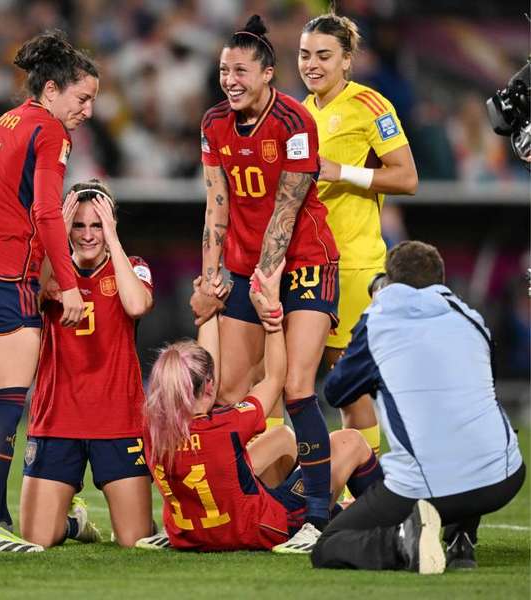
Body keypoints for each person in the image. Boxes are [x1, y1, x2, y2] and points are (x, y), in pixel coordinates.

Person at [0, 30, 98, 553]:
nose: (88, 110)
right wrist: (69, 282)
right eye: (82, 98)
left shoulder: (6, 120)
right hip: (1, 274)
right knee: (6, 405)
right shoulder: (50, 130)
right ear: (51, 90)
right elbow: (47, 211)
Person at [196, 15, 340, 553]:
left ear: (267, 74)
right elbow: (216, 203)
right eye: (222, 70)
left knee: (298, 387)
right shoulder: (213, 123)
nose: (229, 79)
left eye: (239, 70)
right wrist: (212, 277)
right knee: (231, 393)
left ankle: (319, 518)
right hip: (242, 267)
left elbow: (288, 206)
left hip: (303, 262)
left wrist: (267, 280)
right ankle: (253, 503)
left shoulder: (295, 120)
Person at [312, 240, 525, 574]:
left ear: (390, 282)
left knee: (328, 545)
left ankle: (402, 544)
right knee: (466, 419)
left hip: (430, 487)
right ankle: (461, 540)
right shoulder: (471, 318)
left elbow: (337, 391)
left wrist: (365, 330)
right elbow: (485, 386)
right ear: (439, 280)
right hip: (505, 477)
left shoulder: (377, 321)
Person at [141, 262, 380, 552]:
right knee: (350, 441)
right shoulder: (226, 426)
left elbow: (206, 383)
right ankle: (388, 520)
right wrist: (273, 317)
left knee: (282, 438)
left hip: (192, 534)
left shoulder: (153, 429)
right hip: (258, 529)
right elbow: (275, 377)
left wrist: (209, 313)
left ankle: (341, 513)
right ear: (208, 386)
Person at [298, 12, 418, 458]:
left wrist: (342, 172)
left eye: (325, 55)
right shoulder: (303, 111)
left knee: (350, 384)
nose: (312, 64)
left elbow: (406, 177)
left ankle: (365, 488)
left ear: (347, 60)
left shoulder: (370, 105)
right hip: (310, 264)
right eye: (305, 54)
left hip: (353, 262)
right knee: (310, 380)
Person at [20, 180, 154, 548]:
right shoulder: (50, 272)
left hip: (118, 420)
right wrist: (55, 237)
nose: (88, 234)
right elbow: (29, 298)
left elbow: (137, 305)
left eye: (97, 224)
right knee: (37, 539)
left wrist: (113, 239)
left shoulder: (134, 267)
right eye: (79, 225)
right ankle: (72, 523)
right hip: (57, 417)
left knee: (134, 540)